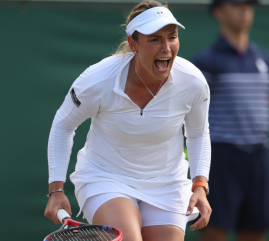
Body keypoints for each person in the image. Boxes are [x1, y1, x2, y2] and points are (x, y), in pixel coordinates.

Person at [44, 1, 212, 240]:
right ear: (133, 44)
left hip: (167, 183)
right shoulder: (97, 80)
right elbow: (63, 125)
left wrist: (200, 186)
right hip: (106, 177)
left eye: (172, 37)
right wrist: (56, 189)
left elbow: (197, 133)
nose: (166, 47)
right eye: (154, 39)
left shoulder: (193, 82)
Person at [192, 1, 269, 241]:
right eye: (236, 4)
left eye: (249, 4)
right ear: (218, 12)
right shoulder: (205, 62)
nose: (245, 10)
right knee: (214, 229)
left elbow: (266, 102)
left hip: (258, 157)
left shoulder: (268, 62)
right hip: (221, 158)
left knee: (254, 230)